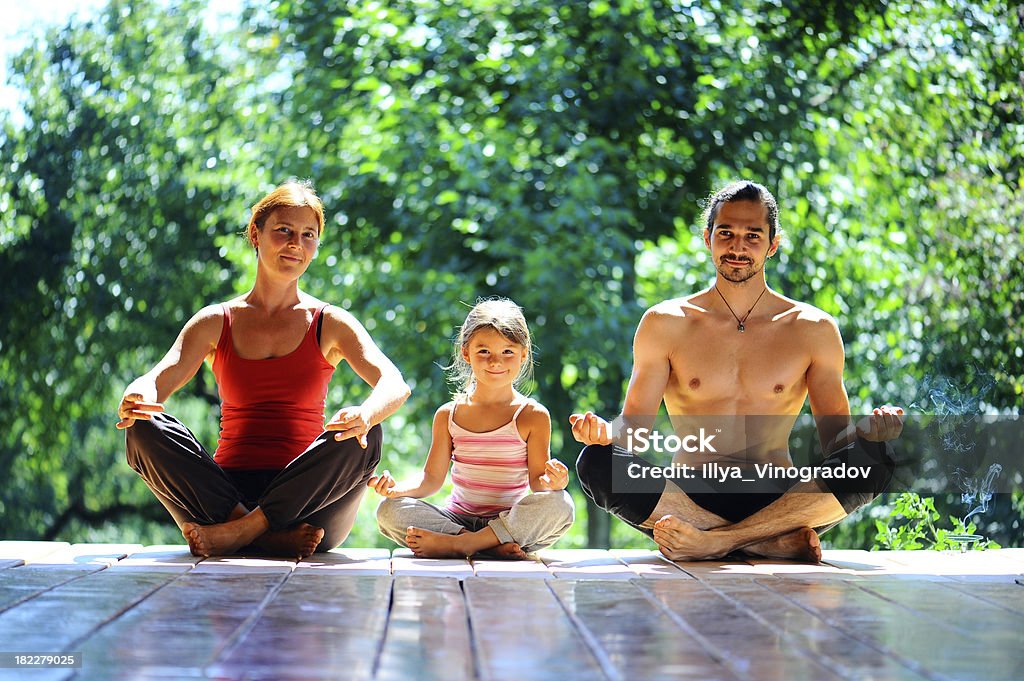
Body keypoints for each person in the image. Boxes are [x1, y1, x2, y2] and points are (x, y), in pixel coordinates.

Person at [570, 180, 903, 563]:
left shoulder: (812, 328)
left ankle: (715, 542)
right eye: (726, 233)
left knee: (876, 459)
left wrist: (866, 433)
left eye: (753, 235)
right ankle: (762, 543)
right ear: (708, 237)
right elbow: (634, 431)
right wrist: (605, 433)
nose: (738, 246)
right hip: (688, 495)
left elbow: (836, 443)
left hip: (779, 496)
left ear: (773, 244)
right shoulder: (665, 323)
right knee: (596, 461)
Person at [117, 180, 411, 559]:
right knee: (142, 425)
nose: (295, 244)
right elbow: (157, 380)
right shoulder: (215, 321)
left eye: (308, 235)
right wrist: (138, 393)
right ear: (256, 234)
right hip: (222, 496)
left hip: (310, 502)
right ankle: (259, 531)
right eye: (284, 231)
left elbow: (394, 384)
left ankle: (247, 531)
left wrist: (365, 415)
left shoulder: (329, 321)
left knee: (365, 434)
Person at [370, 298, 574, 559]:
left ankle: (464, 545)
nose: (495, 361)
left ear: (524, 354)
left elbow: (538, 482)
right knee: (388, 511)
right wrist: (397, 490)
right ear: (466, 353)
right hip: (457, 520)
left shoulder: (533, 416)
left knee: (561, 504)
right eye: (484, 351)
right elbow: (431, 480)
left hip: (510, 523)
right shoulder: (448, 415)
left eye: (508, 352)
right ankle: (476, 543)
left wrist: (554, 483)